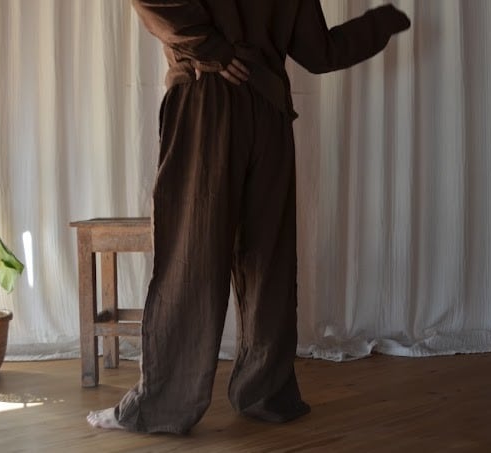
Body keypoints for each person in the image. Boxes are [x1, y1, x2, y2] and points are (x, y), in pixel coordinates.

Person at [88, 0, 411, 434]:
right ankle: (266, 393)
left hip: (207, 101)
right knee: (266, 261)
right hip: (267, 110)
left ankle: (164, 405)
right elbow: (320, 52)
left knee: (194, 258)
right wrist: (382, 21)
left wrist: (215, 51)